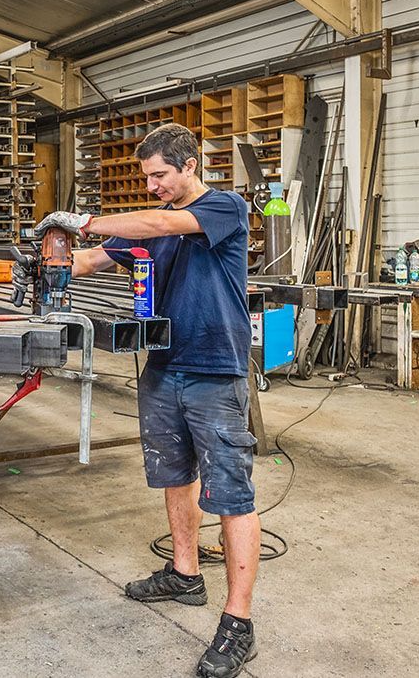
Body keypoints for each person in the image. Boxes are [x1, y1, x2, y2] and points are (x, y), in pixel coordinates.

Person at [30, 123, 258, 678]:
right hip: (162, 365)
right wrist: (45, 257)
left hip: (214, 367)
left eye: (159, 175)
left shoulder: (224, 207)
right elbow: (90, 261)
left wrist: (78, 220)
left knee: (229, 492)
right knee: (173, 474)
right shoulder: (146, 229)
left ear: (189, 164)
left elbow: (161, 222)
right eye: (147, 177)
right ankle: (184, 575)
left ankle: (238, 622)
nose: (153, 185)